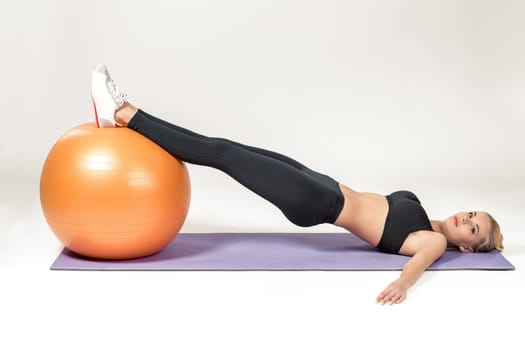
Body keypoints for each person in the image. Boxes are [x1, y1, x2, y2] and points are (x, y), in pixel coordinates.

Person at [91, 64, 504, 305]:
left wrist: (401, 285)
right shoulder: (428, 220)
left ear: (466, 246)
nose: (465, 218)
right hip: (321, 183)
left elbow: (415, 266)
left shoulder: (431, 243)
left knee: (218, 152)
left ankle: (125, 113)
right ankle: (126, 112)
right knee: (229, 147)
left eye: (472, 228)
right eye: (472, 213)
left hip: (316, 201)